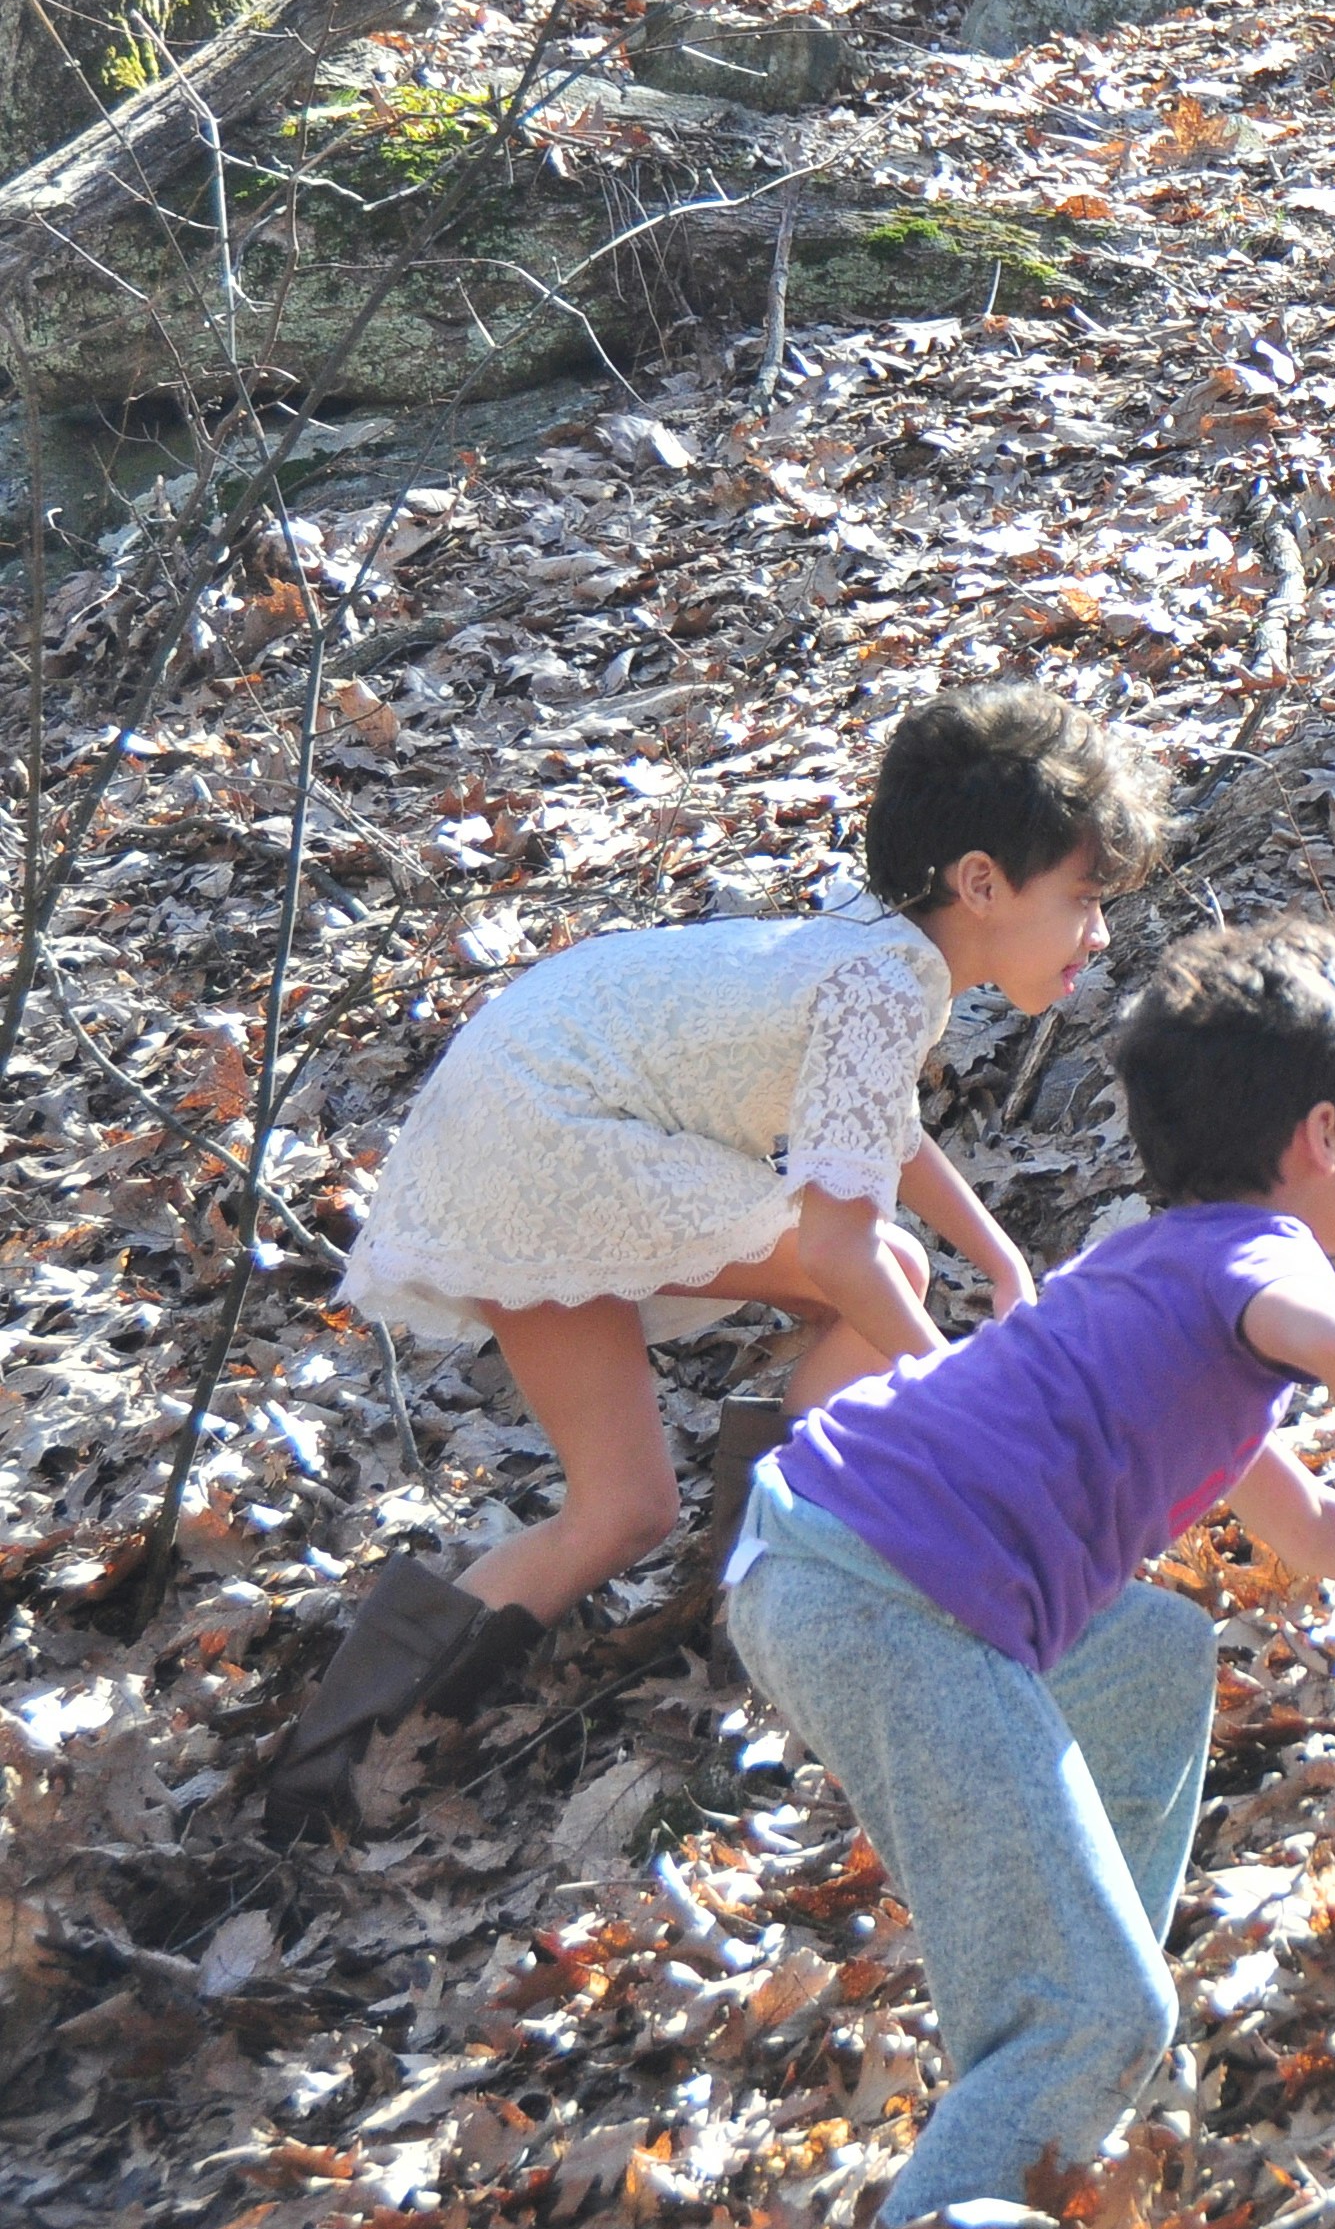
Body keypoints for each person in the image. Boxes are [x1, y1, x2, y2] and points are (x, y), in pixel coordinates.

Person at [720, 917, 1335, 2229]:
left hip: (818, 1547)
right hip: (888, 1590)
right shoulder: (1261, 1267)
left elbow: (1313, 1529)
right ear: (1322, 1140)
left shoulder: (1154, 1282)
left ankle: (1051, 2031)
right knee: (1108, 2005)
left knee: (1150, 1659)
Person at [275, 685, 1165, 1839]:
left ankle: (324, 1777)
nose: (1100, 933)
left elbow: (871, 1120)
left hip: (514, 1125)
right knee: (877, 1268)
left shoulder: (884, 941)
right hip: (549, 1131)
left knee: (621, 1511)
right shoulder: (888, 978)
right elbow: (844, 1244)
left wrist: (993, 1253)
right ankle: (776, 1563)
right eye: (1084, 901)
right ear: (981, 883)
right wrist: (970, 1397)